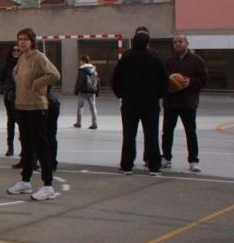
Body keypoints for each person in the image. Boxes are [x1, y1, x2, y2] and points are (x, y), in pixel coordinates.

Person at [6, 28, 61, 201]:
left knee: (41, 146)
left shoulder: (39, 57)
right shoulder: (22, 58)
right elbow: (16, 73)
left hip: (37, 107)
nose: (22, 42)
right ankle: (25, 181)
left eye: (25, 39)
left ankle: (48, 186)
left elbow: (54, 74)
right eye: (20, 39)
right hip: (22, 107)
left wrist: (38, 83)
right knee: (27, 146)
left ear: (32, 41)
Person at [111, 27, 169, 176]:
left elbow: (115, 80)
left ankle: (127, 166)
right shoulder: (155, 58)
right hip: (150, 103)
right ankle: (154, 166)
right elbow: (165, 81)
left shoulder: (126, 57)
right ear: (148, 43)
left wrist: (121, 95)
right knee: (152, 135)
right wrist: (158, 96)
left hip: (130, 103)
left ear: (133, 42)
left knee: (129, 135)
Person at [161, 33, 208, 173]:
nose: (177, 44)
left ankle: (193, 160)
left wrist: (190, 82)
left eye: (180, 41)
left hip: (188, 102)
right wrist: (168, 86)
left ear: (187, 43)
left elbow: (204, 80)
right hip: (171, 102)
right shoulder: (168, 61)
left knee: (190, 132)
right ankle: (166, 158)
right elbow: (162, 80)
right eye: (175, 42)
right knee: (167, 132)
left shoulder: (197, 60)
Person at [0, 45, 21, 156]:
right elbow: (1, 79)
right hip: (9, 95)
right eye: (14, 50)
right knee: (11, 120)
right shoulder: (7, 64)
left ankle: (24, 147)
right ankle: (10, 147)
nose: (16, 52)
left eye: (18, 50)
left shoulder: (24, 63)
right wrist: (3, 89)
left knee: (21, 120)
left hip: (21, 96)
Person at [73, 55, 99, 129]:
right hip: (92, 91)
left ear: (83, 61)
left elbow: (80, 81)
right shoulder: (94, 70)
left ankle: (78, 123)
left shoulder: (82, 70)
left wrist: (76, 90)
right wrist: (97, 91)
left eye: (81, 61)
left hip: (83, 91)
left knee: (80, 107)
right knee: (93, 107)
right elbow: (98, 81)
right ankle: (94, 123)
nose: (80, 62)